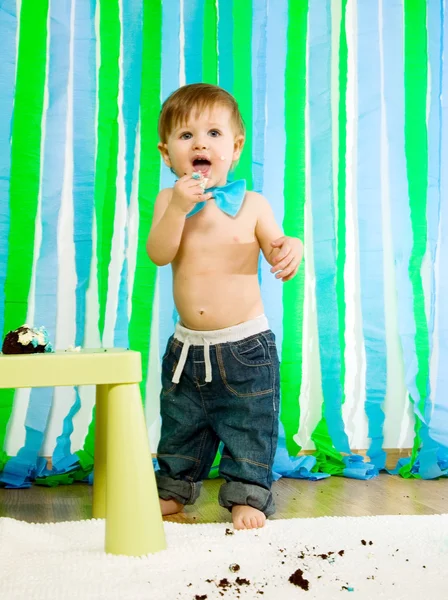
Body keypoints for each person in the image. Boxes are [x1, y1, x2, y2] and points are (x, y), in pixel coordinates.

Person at [147, 83, 303, 530]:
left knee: (248, 425)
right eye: (186, 136)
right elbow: (158, 253)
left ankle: (248, 495)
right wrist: (177, 208)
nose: (200, 143)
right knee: (181, 423)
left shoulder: (253, 205)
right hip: (187, 349)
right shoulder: (168, 201)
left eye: (214, 133)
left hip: (244, 348)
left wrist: (291, 247)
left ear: (234, 149)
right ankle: (174, 488)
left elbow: (276, 247)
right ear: (167, 154)